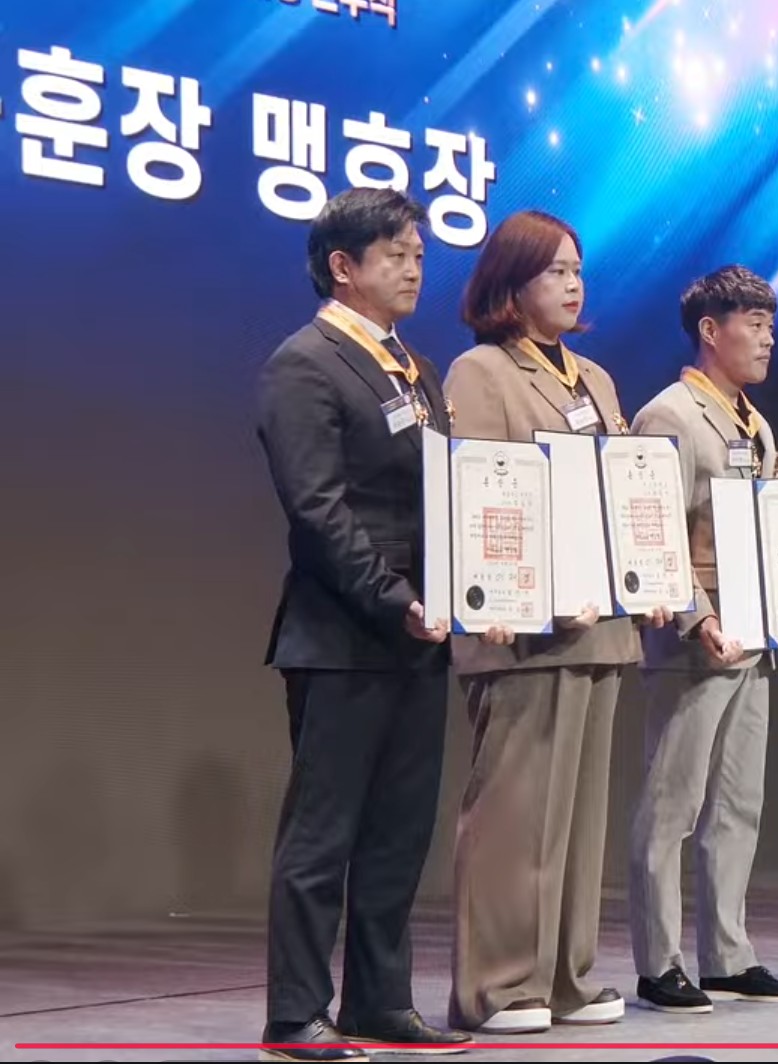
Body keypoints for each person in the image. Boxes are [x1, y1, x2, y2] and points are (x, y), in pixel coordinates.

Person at [255, 187, 472, 1061]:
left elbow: (448, 496)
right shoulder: (304, 363)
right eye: (396, 255)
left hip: (424, 632)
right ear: (342, 267)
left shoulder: (415, 367)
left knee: (399, 831)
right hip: (345, 634)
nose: (415, 269)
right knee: (323, 832)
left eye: (419, 254)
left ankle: (380, 1001)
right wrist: (395, 599)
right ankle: (294, 1014)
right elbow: (318, 511)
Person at [443, 210, 671, 1035]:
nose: (574, 285)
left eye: (578, 270)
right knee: (516, 815)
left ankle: (566, 977)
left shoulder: (595, 379)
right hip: (526, 631)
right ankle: (498, 985)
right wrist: (530, 597)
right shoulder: (481, 372)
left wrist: (651, 577)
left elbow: (622, 493)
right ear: (510, 284)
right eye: (555, 272)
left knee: (577, 818)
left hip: (601, 623)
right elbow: (482, 501)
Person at [628, 266, 778, 1013]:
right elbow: (654, 530)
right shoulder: (670, 415)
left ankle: (727, 954)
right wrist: (697, 618)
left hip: (754, 630)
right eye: (753, 326)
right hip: (698, 634)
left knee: (737, 802)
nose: (767, 340)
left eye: (771, 327)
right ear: (710, 331)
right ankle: (659, 961)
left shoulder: (754, 421)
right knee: (672, 803)